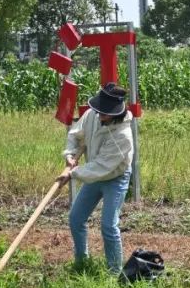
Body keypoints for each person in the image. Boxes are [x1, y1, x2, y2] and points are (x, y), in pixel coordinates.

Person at [56, 82, 134, 274]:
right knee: (76, 218)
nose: (99, 116)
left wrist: (72, 173)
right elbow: (76, 134)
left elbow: (101, 167)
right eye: (99, 111)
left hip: (115, 177)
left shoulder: (123, 136)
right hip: (93, 173)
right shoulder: (93, 114)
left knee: (108, 224)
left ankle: (114, 272)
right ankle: (82, 261)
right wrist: (70, 155)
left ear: (116, 113)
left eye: (104, 113)